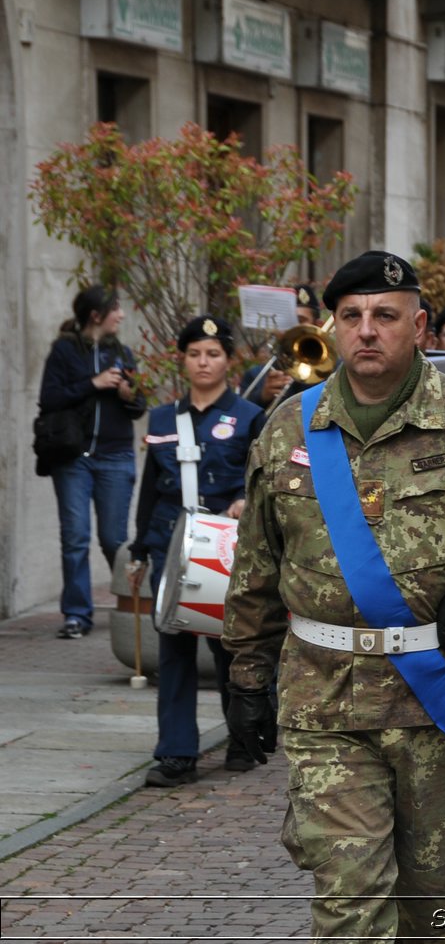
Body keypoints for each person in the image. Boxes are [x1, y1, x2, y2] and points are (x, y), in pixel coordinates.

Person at [223, 251, 445, 940]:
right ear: (332, 326)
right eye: (351, 316)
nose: (366, 330)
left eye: (385, 315)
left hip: (435, 701)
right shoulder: (291, 428)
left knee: (430, 905)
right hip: (324, 701)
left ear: (419, 326)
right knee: (351, 895)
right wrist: (245, 671)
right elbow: (258, 562)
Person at [130, 316, 264, 786]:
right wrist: (138, 550)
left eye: (212, 354)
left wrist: (248, 500)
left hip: (227, 548)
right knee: (174, 652)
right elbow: (150, 487)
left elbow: (264, 480)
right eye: (194, 354)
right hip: (172, 545)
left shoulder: (250, 417)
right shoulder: (164, 419)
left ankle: (243, 739)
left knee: (231, 647)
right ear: (183, 360)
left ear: (228, 360)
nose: (203, 362)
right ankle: (177, 754)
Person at [40, 285, 147, 639]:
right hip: (74, 457)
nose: (121, 315)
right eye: (115, 309)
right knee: (75, 537)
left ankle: (132, 605)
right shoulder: (65, 350)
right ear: (96, 315)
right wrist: (93, 383)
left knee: (113, 539)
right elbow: (50, 398)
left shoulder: (123, 351)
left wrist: (129, 395)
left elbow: (138, 407)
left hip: (116, 456)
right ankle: (76, 614)